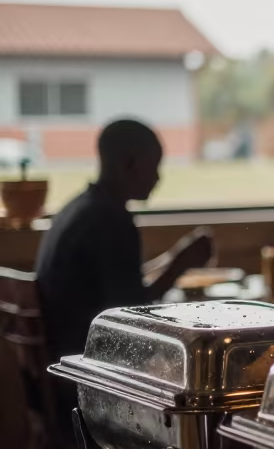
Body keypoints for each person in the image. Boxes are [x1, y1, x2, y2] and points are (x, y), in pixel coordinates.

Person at [37, 119, 214, 364]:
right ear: (128, 164)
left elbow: (122, 282)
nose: (157, 178)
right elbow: (132, 312)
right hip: (89, 362)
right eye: (153, 166)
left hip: (63, 354)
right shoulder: (109, 220)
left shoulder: (80, 208)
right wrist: (179, 266)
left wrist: (176, 256)